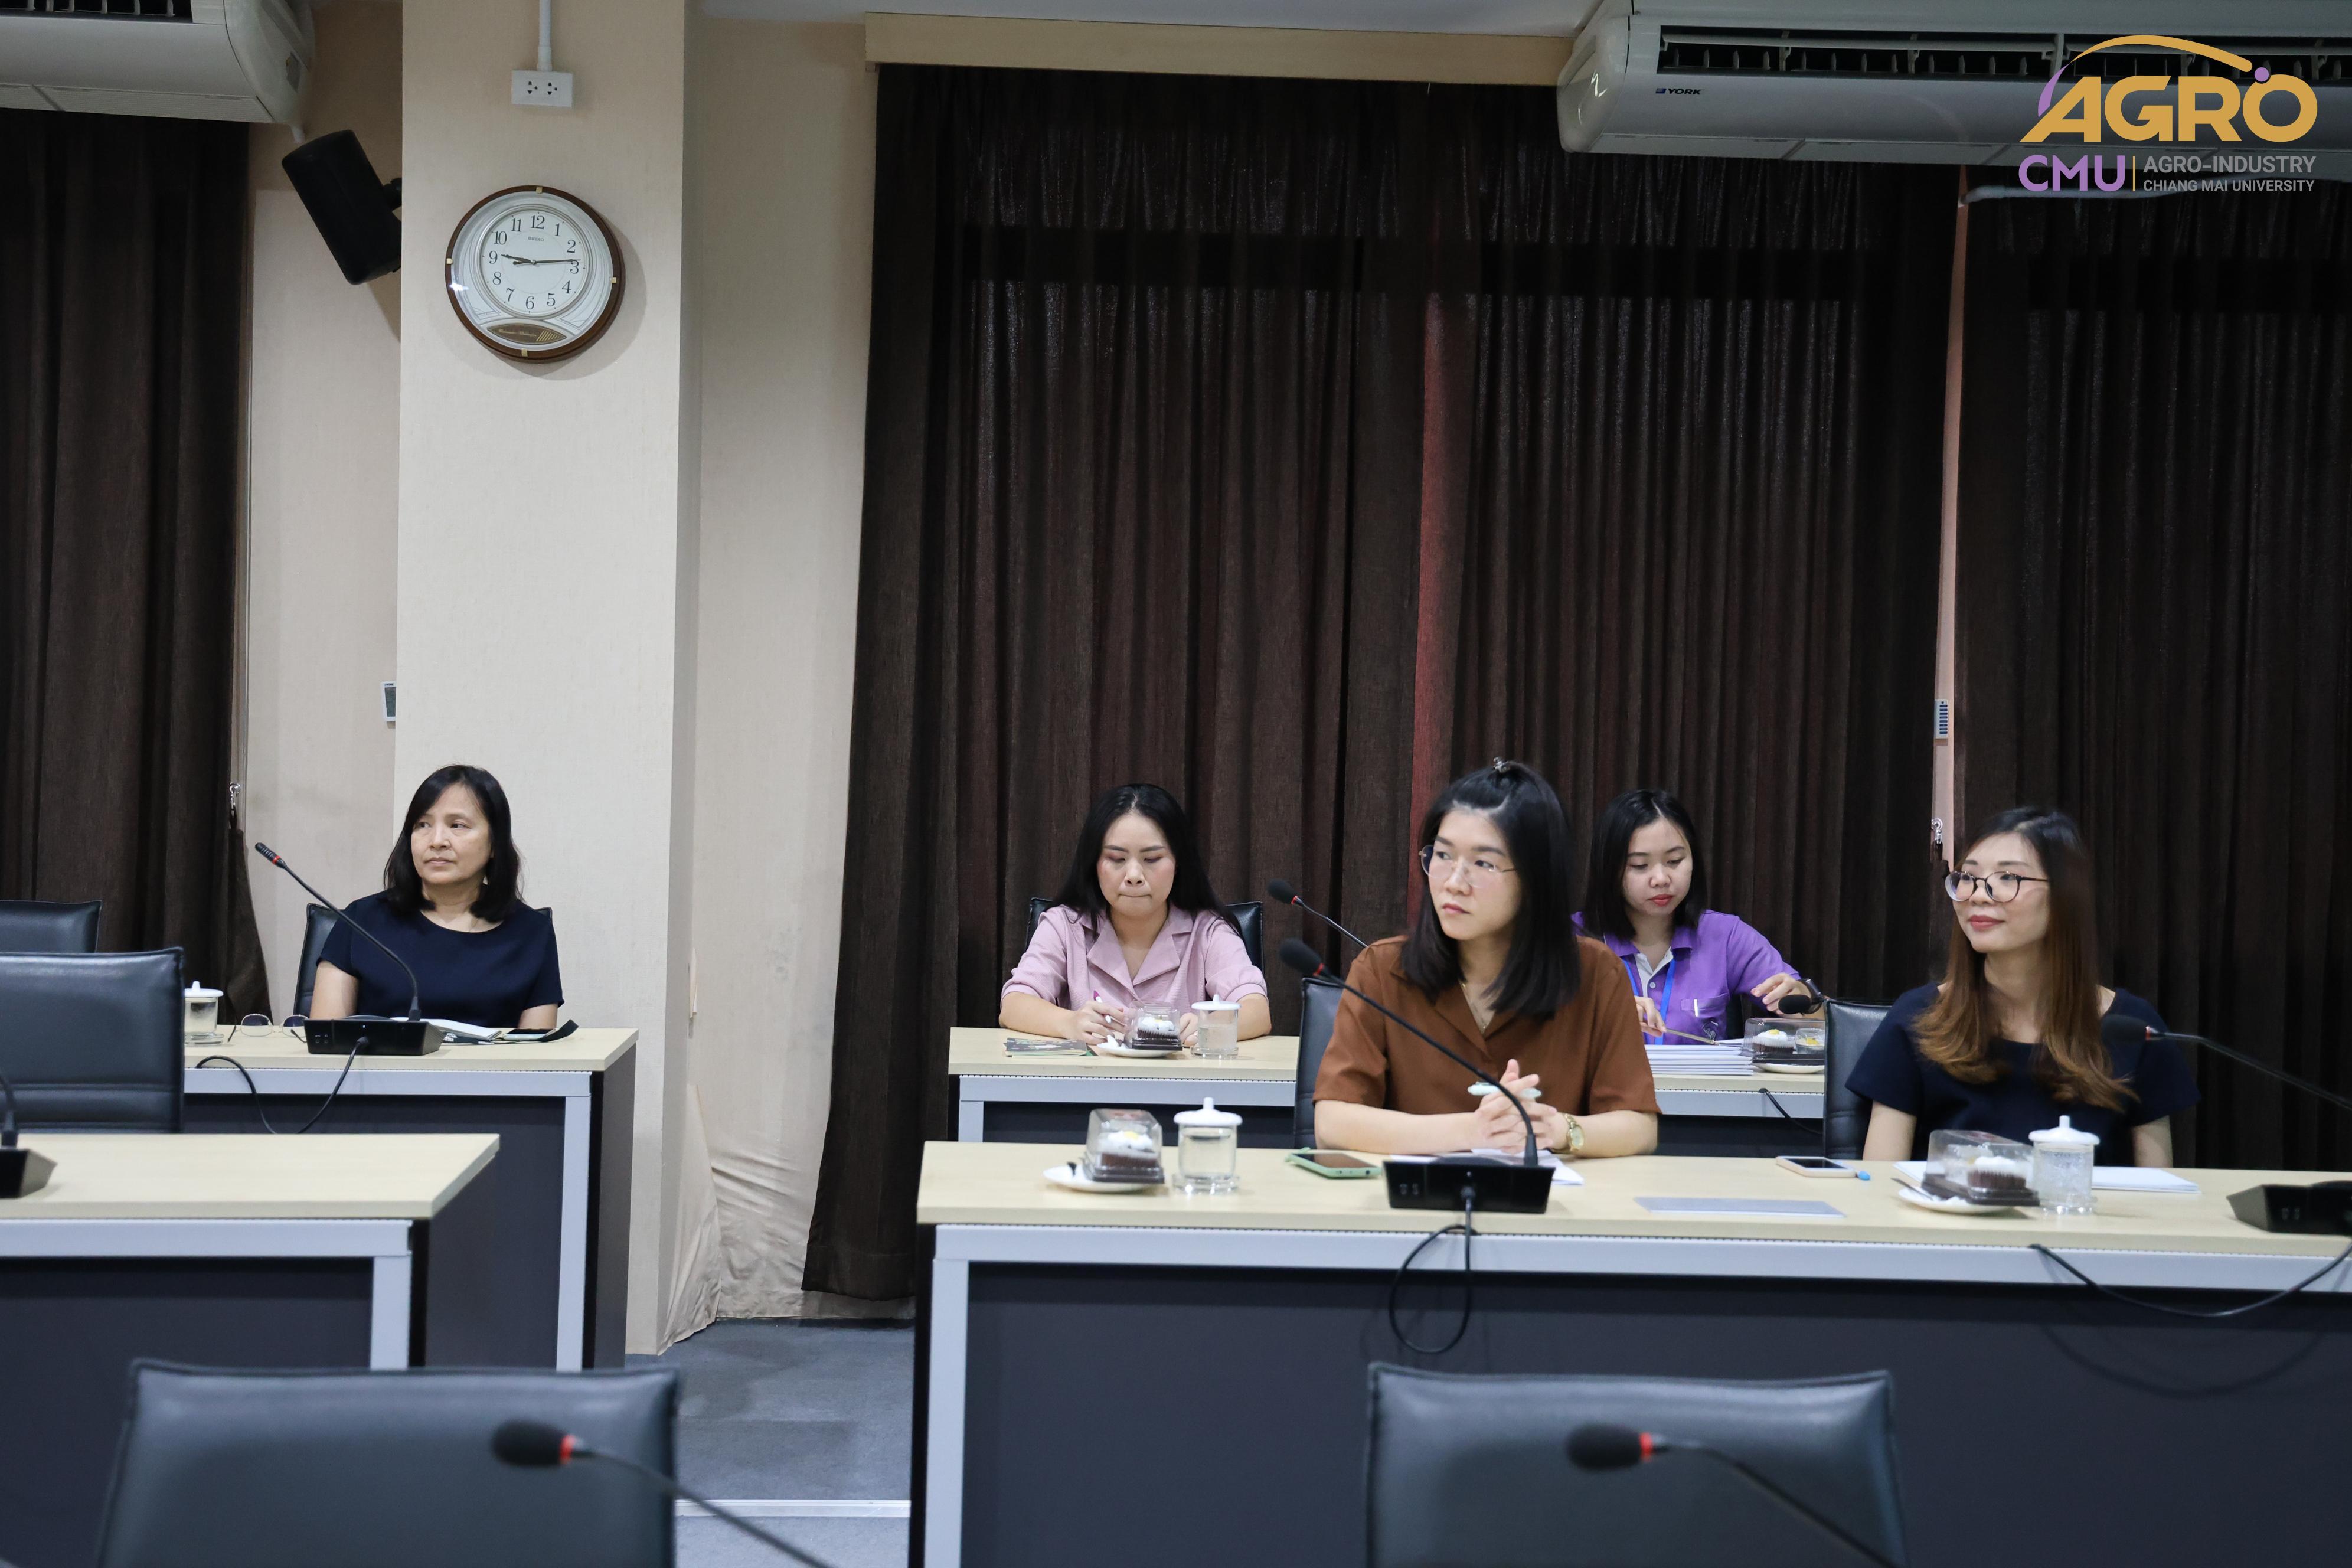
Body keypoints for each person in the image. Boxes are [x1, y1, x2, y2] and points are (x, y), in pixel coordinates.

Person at [1314, 760, 1658, 1158]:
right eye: (1443, 855)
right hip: (1416, 1196)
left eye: (1483, 863)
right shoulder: (1382, 969)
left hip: (1548, 1196)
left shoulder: (1596, 974)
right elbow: (1333, 1123)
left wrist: (1555, 1128)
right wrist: (1475, 1130)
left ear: (1536, 879)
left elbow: (1639, 1127)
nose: (1454, 883)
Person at [1849, 807, 2194, 1167]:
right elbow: (1879, 1182)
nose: (1978, 895)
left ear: (2063, 896)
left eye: (2008, 877)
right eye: (1968, 877)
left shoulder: (2135, 1029)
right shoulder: (1919, 1018)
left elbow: (2158, 1189)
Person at [1001, 784, 1270, 1045]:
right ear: (1094, 863)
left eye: (1151, 859)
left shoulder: (1208, 931)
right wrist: (1069, 1023)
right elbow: (1014, 1004)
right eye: (1117, 859)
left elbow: (1257, 1011)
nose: (1133, 876)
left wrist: (1209, 1025)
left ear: (1178, 863)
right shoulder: (1065, 925)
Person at [309, 764, 563, 1031]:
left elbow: (536, 1050)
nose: (437, 840)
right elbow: (326, 1042)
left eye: (457, 825)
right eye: (423, 825)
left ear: (494, 844)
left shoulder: (531, 933)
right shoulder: (361, 921)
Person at [1574, 788, 1818, 1044]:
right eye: (1640, 866)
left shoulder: (1725, 936)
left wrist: (1803, 1000)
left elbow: (1824, 1022)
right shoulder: (1572, 940)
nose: (1661, 879)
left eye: (1674, 861)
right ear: (1608, 869)